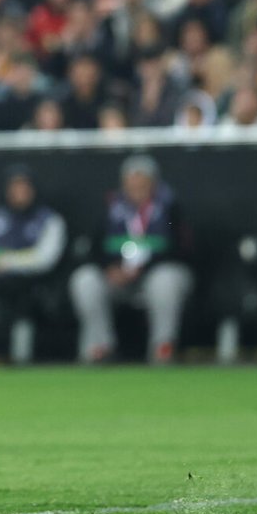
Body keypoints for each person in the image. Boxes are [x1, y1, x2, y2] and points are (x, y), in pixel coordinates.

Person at [68, 154, 193, 364]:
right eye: (131, 182)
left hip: (155, 274)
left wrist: (144, 267)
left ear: (153, 183)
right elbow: (94, 248)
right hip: (118, 277)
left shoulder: (170, 208)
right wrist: (110, 268)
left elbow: (182, 249)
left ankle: (163, 347)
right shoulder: (110, 208)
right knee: (85, 280)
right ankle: (100, 347)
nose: (136, 187)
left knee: (165, 281)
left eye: (142, 182)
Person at [0, 164, 67, 352]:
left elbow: (45, 258)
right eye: (15, 187)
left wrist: (8, 261)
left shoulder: (49, 220)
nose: (19, 192)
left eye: (24, 187)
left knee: (23, 303)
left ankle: (22, 357)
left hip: (31, 288)